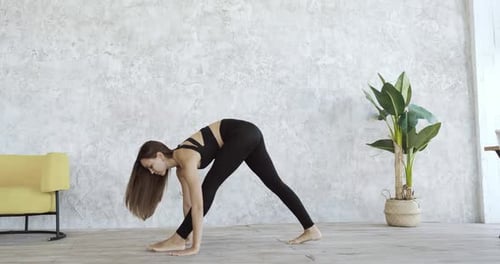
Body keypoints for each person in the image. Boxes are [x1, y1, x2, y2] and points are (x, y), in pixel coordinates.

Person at [125, 119, 321, 256]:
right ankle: (311, 229)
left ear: (160, 155)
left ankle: (177, 238)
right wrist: (187, 236)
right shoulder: (180, 169)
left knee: (209, 187)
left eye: (150, 166)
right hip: (248, 133)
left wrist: (194, 246)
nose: (151, 172)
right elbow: (189, 206)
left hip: (241, 134)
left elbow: (199, 204)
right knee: (275, 184)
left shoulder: (185, 156)